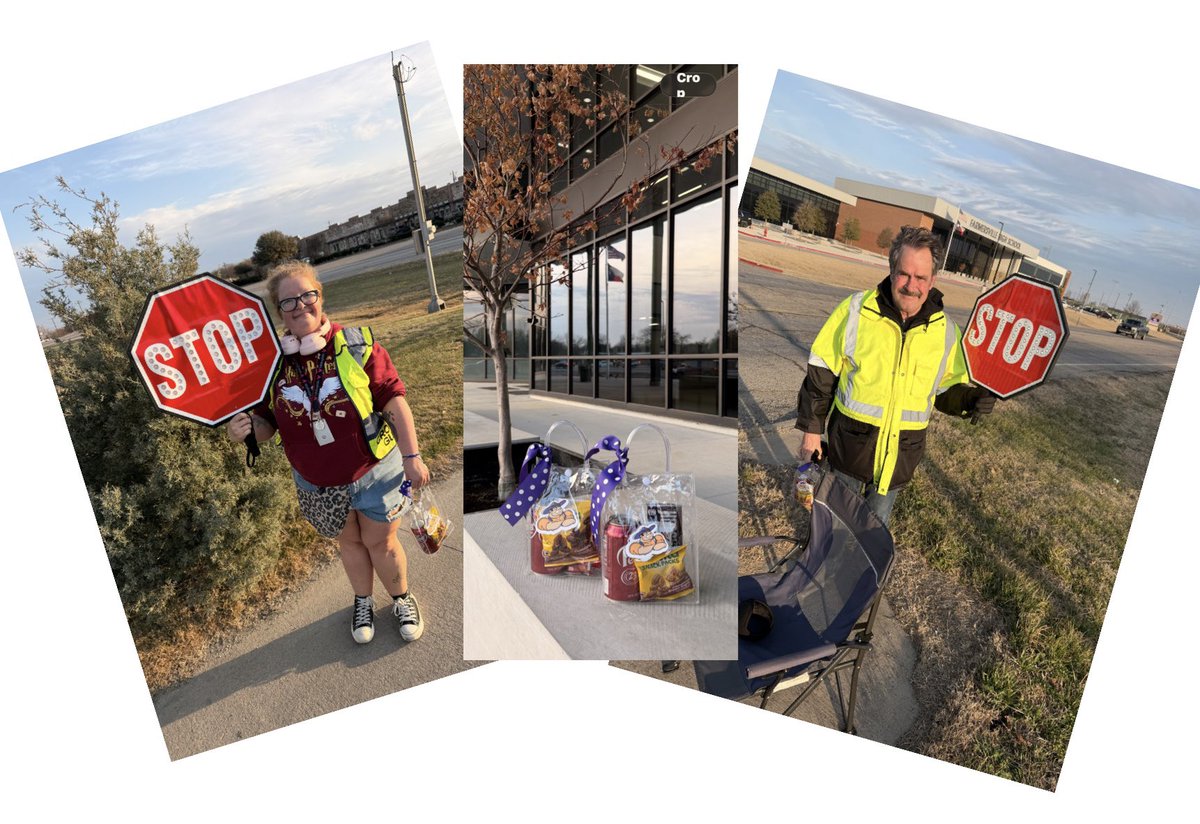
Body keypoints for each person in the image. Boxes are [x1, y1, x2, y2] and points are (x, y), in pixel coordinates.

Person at [227, 260, 431, 644]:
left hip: (373, 472)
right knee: (350, 543)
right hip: (317, 481)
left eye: (307, 295)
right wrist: (249, 429)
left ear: (320, 297)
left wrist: (412, 456)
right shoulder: (270, 365)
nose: (300, 305)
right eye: (288, 301)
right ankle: (363, 601)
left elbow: (393, 399)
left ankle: (401, 598)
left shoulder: (356, 346)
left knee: (381, 543)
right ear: (279, 312)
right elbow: (267, 423)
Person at [795, 226, 996, 525]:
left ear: (933, 280)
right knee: (833, 530)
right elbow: (821, 373)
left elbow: (944, 390)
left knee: (872, 536)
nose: (911, 286)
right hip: (848, 452)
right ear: (891, 271)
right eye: (904, 274)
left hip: (899, 461)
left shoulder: (946, 332)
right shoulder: (856, 311)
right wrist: (811, 432)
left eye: (921, 277)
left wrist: (970, 399)